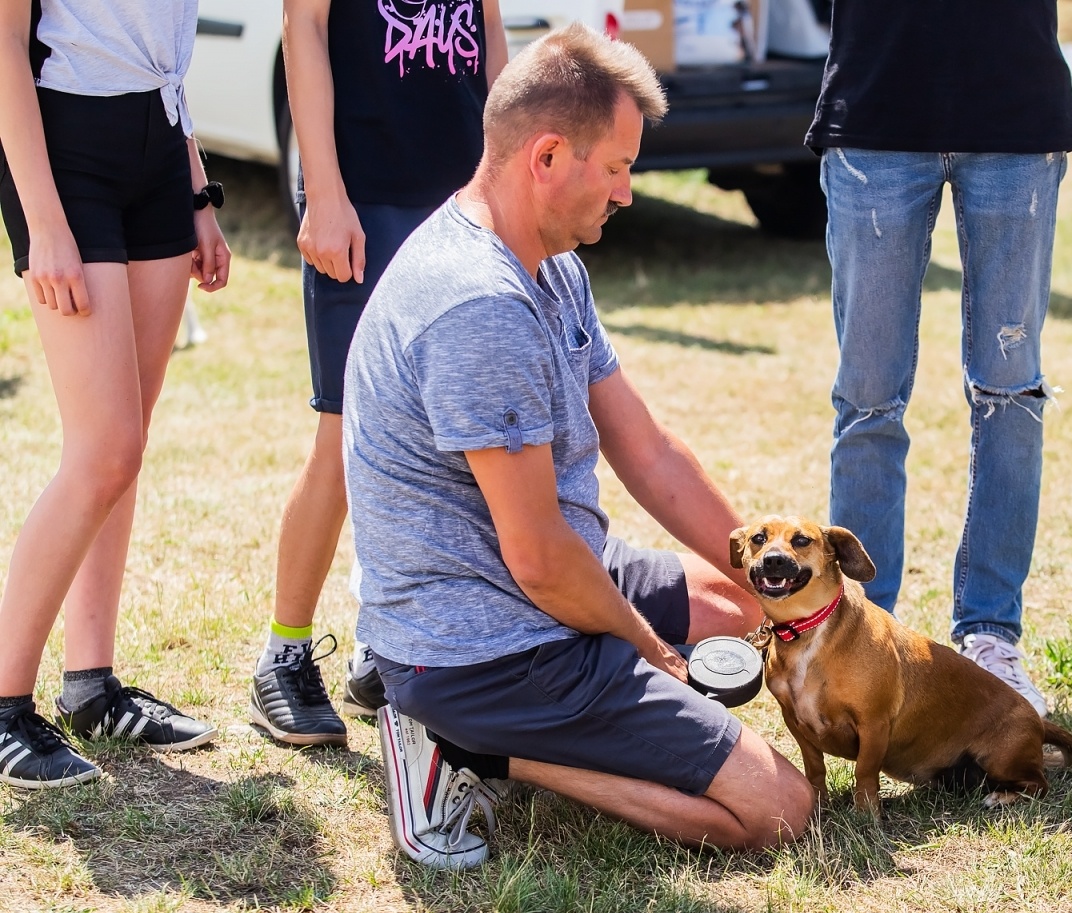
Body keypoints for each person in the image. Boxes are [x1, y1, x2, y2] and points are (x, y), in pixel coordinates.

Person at [344, 24, 814, 868]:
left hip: (543, 580)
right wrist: (646, 649)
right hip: (479, 650)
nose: (628, 193)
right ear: (549, 156)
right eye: (618, 168)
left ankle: (529, 717)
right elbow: (537, 561)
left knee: (746, 605)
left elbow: (650, 453)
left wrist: (786, 579)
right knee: (779, 809)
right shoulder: (477, 306)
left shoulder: (550, 263)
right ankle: (468, 748)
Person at [805, 0, 1072, 717]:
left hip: (1014, 108)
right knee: (868, 399)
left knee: (1010, 394)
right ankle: (861, 634)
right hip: (877, 109)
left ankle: (990, 634)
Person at [247, 0, 507, 748]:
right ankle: (284, 658)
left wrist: (509, 176)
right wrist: (324, 191)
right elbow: (303, 26)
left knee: (459, 443)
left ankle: (394, 649)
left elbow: (490, 35)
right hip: (364, 196)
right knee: (343, 437)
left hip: (462, 196)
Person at [0, 0, 229, 788]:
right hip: (66, 153)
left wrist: (197, 191)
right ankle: (2, 704)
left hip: (161, 149)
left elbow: (157, 47)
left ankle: (91, 687)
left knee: (126, 444)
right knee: (104, 450)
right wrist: (43, 220)